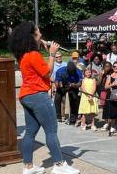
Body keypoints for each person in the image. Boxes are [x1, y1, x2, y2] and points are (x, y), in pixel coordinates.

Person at [10, 21, 80, 174]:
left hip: (26, 95)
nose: (41, 34)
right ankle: (59, 165)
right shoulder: (33, 54)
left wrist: (46, 51)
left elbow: (38, 70)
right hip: (37, 95)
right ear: (32, 36)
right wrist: (52, 54)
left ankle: (28, 166)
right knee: (51, 130)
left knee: (30, 131)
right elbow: (47, 72)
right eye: (39, 32)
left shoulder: (24, 55)